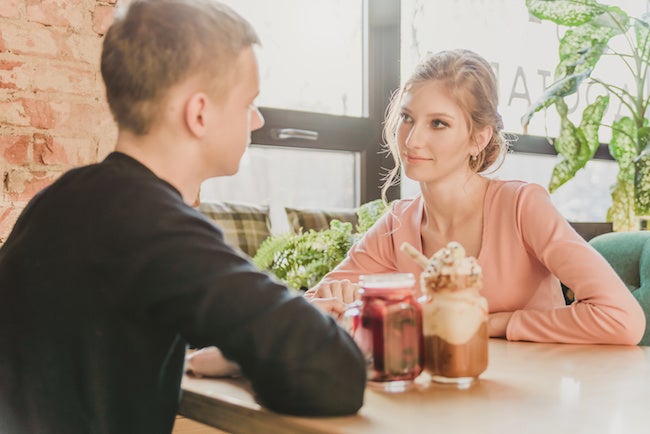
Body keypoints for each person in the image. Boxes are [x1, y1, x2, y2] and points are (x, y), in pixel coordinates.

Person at [0, 1, 366, 433]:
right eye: (249, 102)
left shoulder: (58, 201)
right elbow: (335, 374)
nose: (257, 119)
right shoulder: (156, 227)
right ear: (199, 113)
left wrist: (235, 349)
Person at [307, 49, 646, 345]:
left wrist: (492, 323)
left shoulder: (521, 207)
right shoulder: (398, 223)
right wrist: (336, 300)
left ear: (478, 139)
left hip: (537, 403)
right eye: (408, 118)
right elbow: (305, 307)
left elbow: (622, 319)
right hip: (446, 399)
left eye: (438, 123)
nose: (411, 141)